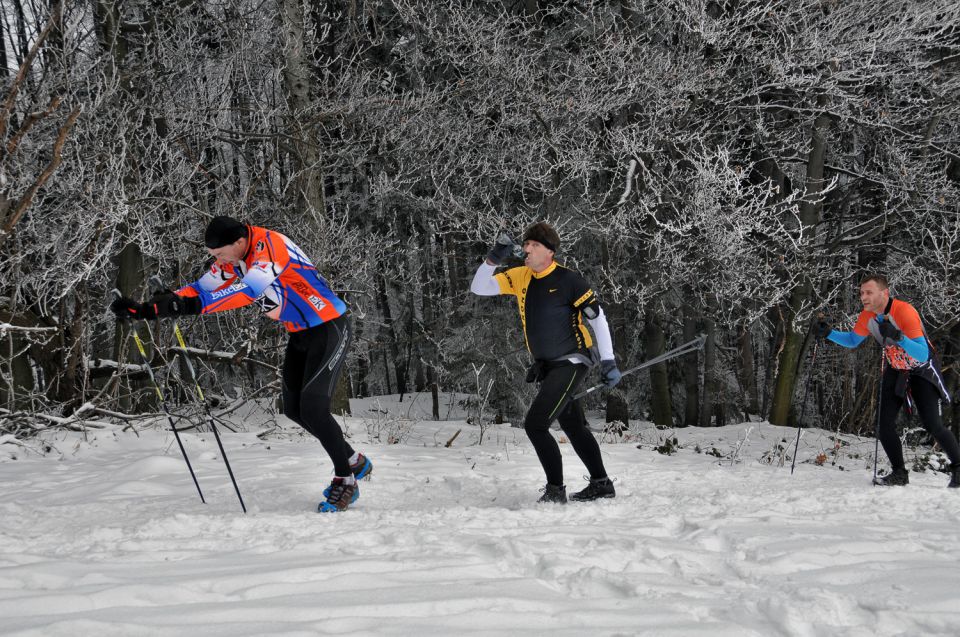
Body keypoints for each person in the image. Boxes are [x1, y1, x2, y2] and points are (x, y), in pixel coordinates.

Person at [110, 216, 372, 512]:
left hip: (329, 327)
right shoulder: (234, 257)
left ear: (239, 242)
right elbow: (202, 287)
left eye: (219, 254)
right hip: (300, 332)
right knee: (295, 410)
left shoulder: (269, 247)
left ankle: (346, 480)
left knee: (314, 408)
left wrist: (186, 306)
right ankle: (352, 460)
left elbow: (247, 292)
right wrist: (151, 308)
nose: (217, 260)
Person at [471, 222, 623, 503]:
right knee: (574, 426)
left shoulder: (569, 281)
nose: (527, 249)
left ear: (549, 252)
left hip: (573, 361)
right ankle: (602, 484)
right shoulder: (520, 276)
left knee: (536, 425)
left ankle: (555, 491)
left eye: (534, 245)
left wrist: (609, 361)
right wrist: (494, 257)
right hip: (548, 366)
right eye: (526, 244)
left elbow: (597, 319)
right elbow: (479, 287)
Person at [817, 274, 959, 488]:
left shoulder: (904, 311)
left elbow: (922, 354)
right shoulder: (867, 316)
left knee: (934, 426)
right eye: (861, 292)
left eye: (868, 292)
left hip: (922, 371)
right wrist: (828, 333)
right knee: (884, 426)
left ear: (884, 293)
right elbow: (853, 340)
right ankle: (899, 473)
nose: (863, 297)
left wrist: (899, 337)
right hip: (896, 370)